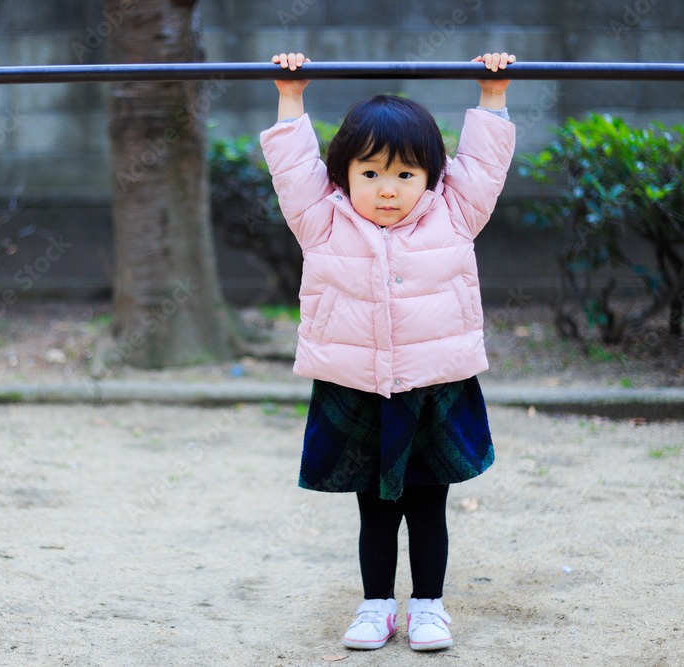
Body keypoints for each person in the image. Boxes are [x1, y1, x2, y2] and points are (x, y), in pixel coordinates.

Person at [259, 51, 517, 652]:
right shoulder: (321, 220)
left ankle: (429, 607)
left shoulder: (455, 214)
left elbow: (484, 164)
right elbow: (293, 167)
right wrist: (291, 96)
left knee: (429, 508)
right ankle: (376, 606)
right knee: (374, 510)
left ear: (433, 177)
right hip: (357, 385)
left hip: (435, 385)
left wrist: (493, 93)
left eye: (405, 175)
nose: (387, 190)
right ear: (342, 174)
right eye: (370, 173)